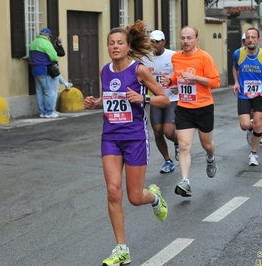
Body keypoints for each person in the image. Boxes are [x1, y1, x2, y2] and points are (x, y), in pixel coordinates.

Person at [83, 20, 170, 266]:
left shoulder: (139, 70)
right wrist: (96, 103)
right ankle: (121, 249)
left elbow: (164, 98)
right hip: (110, 137)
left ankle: (153, 198)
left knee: (134, 197)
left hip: (134, 138)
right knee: (113, 191)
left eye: (120, 43)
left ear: (128, 45)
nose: (115, 47)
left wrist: (143, 98)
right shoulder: (104, 71)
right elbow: (110, 96)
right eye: (111, 43)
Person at [161, 26, 220, 197]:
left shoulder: (204, 57)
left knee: (206, 144)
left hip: (203, 107)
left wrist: (195, 78)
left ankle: (210, 157)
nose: (185, 41)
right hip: (184, 108)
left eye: (189, 38)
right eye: (183, 38)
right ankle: (185, 181)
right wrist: (170, 81)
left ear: (196, 40)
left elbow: (215, 82)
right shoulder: (176, 57)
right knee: (184, 146)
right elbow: (177, 75)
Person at [232, 27, 262, 166]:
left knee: (258, 123)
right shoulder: (237, 54)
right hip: (244, 94)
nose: (250, 39)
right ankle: (255, 130)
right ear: (245, 39)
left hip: (260, 94)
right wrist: (236, 82)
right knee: (245, 125)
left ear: (258, 40)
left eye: (253, 37)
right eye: (248, 37)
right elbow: (235, 68)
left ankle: (253, 154)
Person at [142, 30, 179, 174]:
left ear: (163, 42)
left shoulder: (172, 56)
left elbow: (180, 73)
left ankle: (177, 142)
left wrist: (177, 86)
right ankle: (167, 161)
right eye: (152, 42)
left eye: (157, 42)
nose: (154, 45)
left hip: (172, 99)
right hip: (156, 99)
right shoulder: (146, 58)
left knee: (168, 131)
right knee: (157, 132)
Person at [29, 28, 59, 118]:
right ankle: (49, 112)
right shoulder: (46, 43)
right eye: (50, 37)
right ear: (47, 35)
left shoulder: (33, 43)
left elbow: (30, 57)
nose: (50, 38)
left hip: (35, 70)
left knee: (39, 92)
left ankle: (42, 112)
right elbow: (54, 57)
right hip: (45, 69)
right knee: (48, 92)